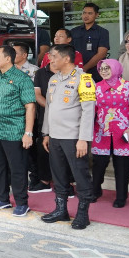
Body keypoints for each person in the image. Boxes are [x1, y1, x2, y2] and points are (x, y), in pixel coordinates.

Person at [41, 44, 96, 230]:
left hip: (74, 137)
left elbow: (89, 111)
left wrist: (84, 139)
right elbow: (49, 107)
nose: (51, 59)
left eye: (54, 56)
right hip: (55, 136)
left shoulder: (84, 79)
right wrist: (46, 133)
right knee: (58, 174)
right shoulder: (54, 79)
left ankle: (83, 214)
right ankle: (61, 210)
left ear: (66, 59)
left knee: (80, 175)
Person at [0, 45, 36, 217]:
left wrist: (28, 133)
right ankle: (2, 198)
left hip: (14, 131)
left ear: (8, 59)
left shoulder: (22, 79)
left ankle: (21, 202)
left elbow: (30, 106)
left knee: (17, 168)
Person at [91, 59, 129, 208]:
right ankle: (95, 190)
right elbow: (92, 109)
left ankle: (121, 197)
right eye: (102, 68)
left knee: (122, 167)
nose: (104, 71)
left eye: (107, 68)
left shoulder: (128, 86)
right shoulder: (97, 87)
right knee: (99, 164)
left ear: (116, 69)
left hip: (124, 131)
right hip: (101, 132)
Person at [30, 63, 54, 193]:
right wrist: (53, 109)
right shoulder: (40, 73)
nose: (52, 59)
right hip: (44, 117)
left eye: (55, 56)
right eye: (51, 56)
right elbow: (37, 94)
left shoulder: (75, 75)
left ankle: (68, 183)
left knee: (65, 151)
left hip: (66, 120)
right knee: (43, 149)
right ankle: (44, 181)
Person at [71, 2, 110, 82]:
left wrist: (84, 68)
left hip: (96, 73)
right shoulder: (74, 31)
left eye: (90, 13)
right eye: (84, 13)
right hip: (75, 72)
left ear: (96, 15)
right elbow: (68, 51)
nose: (86, 16)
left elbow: (101, 54)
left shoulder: (102, 32)